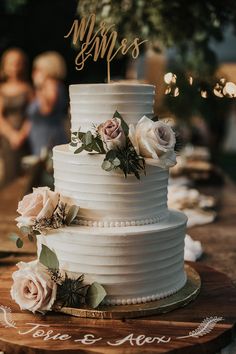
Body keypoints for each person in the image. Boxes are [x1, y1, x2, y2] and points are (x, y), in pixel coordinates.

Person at [0, 48, 32, 185]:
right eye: (11, 63)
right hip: (7, 138)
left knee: (26, 175)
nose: (14, 67)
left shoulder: (27, 88)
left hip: (26, 137)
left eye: (18, 63)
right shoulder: (1, 89)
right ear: (4, 65)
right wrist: (12, 135)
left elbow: (33, 116)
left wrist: (22, 135)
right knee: (10, 173)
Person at [28, 51, 68, 156]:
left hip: (48, 137)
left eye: (38, 69)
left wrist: (39, 86)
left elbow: (46, 109)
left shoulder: (50, 85)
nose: (35, 72)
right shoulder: (50, 85)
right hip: (41, 137)